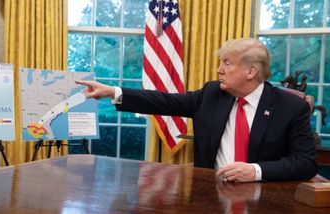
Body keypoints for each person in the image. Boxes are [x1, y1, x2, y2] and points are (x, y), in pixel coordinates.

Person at [75, 38, 317, 182]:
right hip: (209, 198)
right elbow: (165, 102)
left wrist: (255, 171)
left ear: (251, 72)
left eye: (227, 63)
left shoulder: (291, 107)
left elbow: (306, 163)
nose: (219, 70)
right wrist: (114, 92)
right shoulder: (213, 94)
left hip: (266, 203)